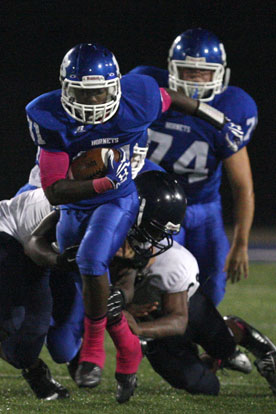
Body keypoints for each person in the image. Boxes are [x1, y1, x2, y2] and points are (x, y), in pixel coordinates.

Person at [24, 41, 244, 389]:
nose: (91, 103)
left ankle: (118, 350)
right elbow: (52, 193)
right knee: (63, 345)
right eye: (82, 94)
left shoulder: (138, 97)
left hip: (124, 188)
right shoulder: (48, 118)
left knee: (122, 249)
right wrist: (57, 260)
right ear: (65, 89)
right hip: (75, 196)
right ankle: (83, 342)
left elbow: (172, 99)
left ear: (116, 87)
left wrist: (215, 117)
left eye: (99, 93)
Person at [24, 170, 188, 403]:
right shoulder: (92, 203)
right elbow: (33, 242)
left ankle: (126, 353)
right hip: (36, 251)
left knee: (108, 298)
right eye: (152, 230)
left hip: (73, 268)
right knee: (58, 347)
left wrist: (121, 296)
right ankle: (43, 361)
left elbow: (126, 278)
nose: (152, 240)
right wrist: (60, 261)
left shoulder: (129, 218)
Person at [129, 28, 257, 306]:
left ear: (220, 73)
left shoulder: (232, 107)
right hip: (154, 208)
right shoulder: (150, 88)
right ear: (173, 69)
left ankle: (200, 345)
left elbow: (242, 185)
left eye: (204, 73)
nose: (196, 80)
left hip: (204, 207)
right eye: (188, 72)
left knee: (212, 289)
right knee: (162, 285)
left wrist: (241, 242)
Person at [0, 189, 69, 400]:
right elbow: (32, 246)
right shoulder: (80, 207)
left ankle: (33, 369)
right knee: (10, 319)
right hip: (9, 232)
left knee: (32, 334)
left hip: (36, 253)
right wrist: (62, 262)